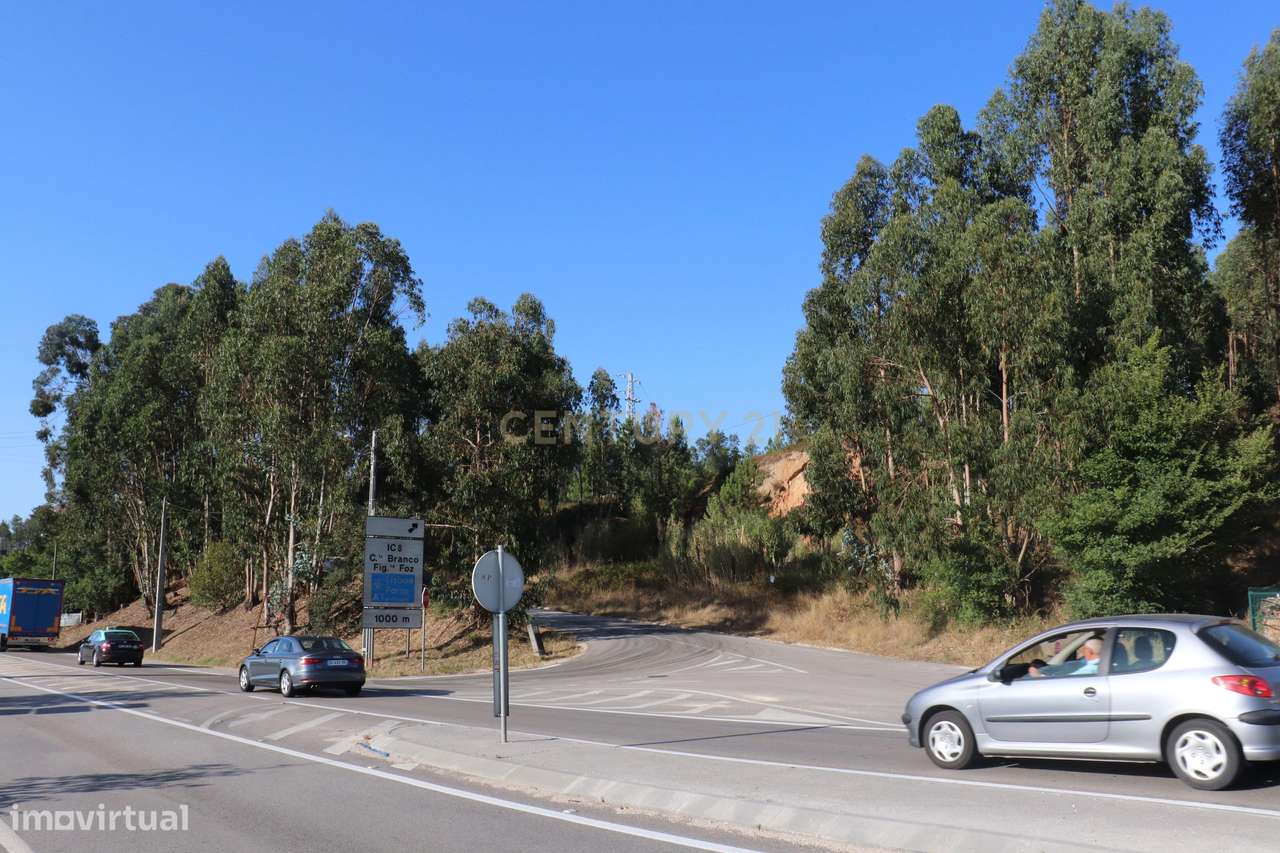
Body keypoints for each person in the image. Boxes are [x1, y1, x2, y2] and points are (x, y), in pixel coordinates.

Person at [1029, 637, 1103, 678]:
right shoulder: (1103, 663)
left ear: (1089, 651)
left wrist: (1039, 675)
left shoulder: (1089, 669)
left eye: (1084, 649)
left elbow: (1064, 682)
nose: (1083, 652)